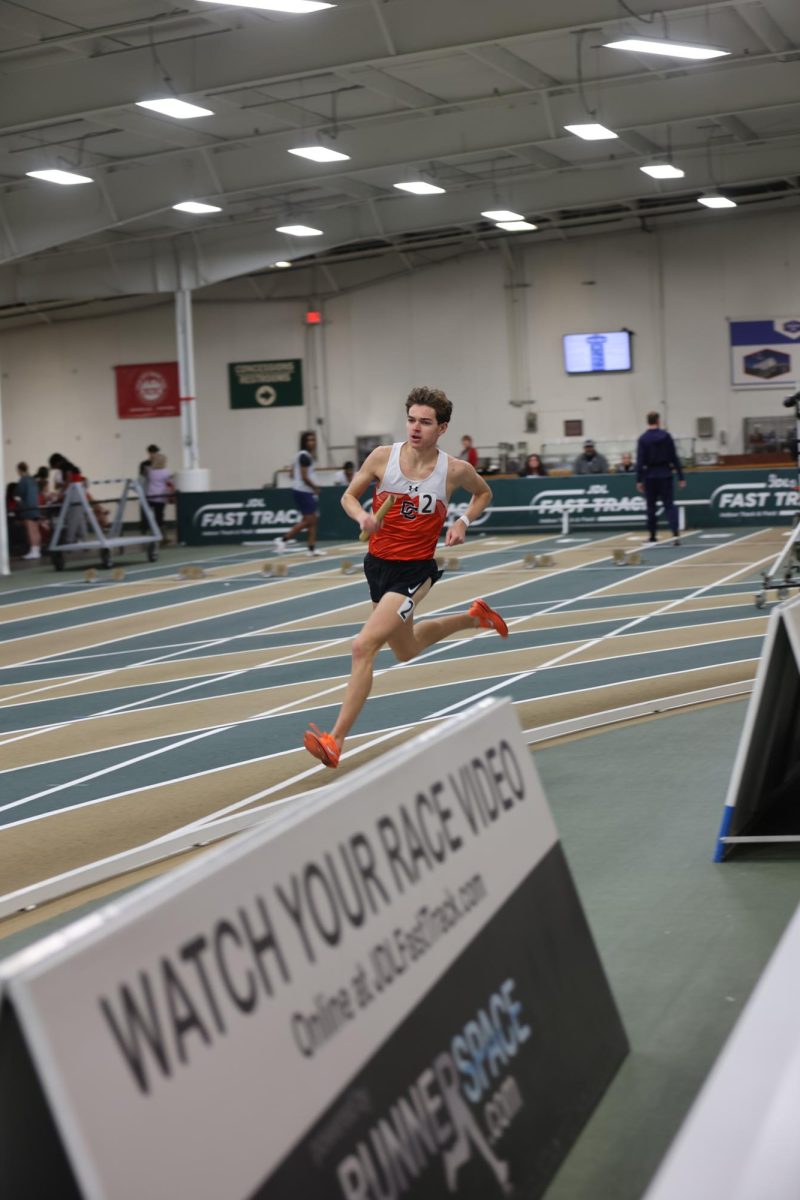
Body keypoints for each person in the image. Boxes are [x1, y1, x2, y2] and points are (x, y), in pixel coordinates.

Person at [303, 386, 509, 769]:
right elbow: (349, 496)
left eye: (426, 422)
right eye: (412, 420)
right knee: (406, 649)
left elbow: (484, 493)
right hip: (378, 565)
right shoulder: (383, 457)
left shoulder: (454, 470)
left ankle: (335, 740)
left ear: (441, 428)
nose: (416, 428)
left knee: (363, 646)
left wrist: (463, 521)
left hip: (415, 571)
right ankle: (474, 617)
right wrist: (361, 515)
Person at [636, 411, 686, 543]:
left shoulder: (643, 439)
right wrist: (681, 476)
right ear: (658, 421)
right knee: (669, 505)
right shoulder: (666, 436)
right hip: (665, 473)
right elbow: (674, 457)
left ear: (648, 422)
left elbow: (640, 461)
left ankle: (652, 536)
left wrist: (639, 480)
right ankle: (675, 534)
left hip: (650, 475)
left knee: (651, 507)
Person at [275, 430, 325, 557]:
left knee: (313, 521)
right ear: (304, 442)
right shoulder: (304, 456)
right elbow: (304, 477)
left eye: (313, 440)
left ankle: (311, 549)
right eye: (309, 440)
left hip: (302, 491)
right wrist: (315, 488)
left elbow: (292, 473)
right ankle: (283, 539)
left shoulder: (299, 456)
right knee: (309, 521)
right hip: (304, 491)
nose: (312, 443)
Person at [15, 463, 42, 560]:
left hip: (27, 508)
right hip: (35, 507)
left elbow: (18, 494)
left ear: (19, 470)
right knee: (36, 530)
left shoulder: (23, 480)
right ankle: (37, 550)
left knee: (31, 530)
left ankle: (34, 551)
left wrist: (18, 501)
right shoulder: (32, 480)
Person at [145, 452, 174, 538]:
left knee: (152, 515)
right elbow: (169, 481)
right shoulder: (165, 472)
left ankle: (153, 532)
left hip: (150, 495)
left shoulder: (150, 471)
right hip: (160, 496)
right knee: (160, 515)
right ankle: (161, 534)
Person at [139, 443, 160, 533]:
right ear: (149, 453)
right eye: (151, 453)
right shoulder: (144, 464)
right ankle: (144, 529)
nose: (153, 455)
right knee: (145, 511)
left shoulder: (160, 464)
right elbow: (141, 477)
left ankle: (157, 528)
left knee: (158, 511)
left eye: (155, 453)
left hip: (157, 491)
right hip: (146, 491)